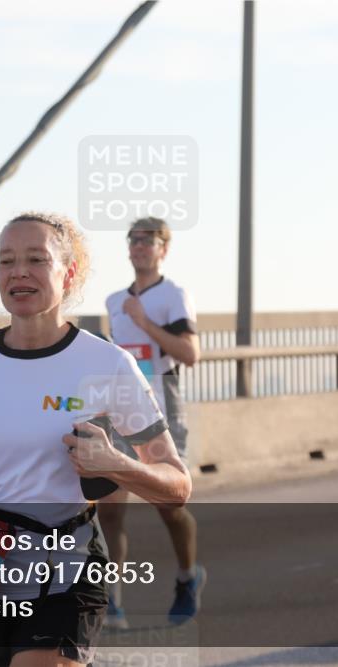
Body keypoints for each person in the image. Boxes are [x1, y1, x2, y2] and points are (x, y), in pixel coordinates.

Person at [0, 211, 192, 667]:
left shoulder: (108, 364)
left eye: (36, 259)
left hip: (65, 564)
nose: (19, 272)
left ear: (68, 274)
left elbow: (177, 483)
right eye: (6, 260)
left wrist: (116, 464)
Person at [99, 217, 204, 628]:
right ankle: (111, 600)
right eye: (134, 239)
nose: (140, 246)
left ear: (164, 249)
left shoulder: (173, 296)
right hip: (120, 412)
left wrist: (145, 323)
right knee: (109, 511)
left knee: (169, 506)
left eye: (149, 240)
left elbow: (190, 353)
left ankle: (188, 577)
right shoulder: (114, 300)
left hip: (162, 414)